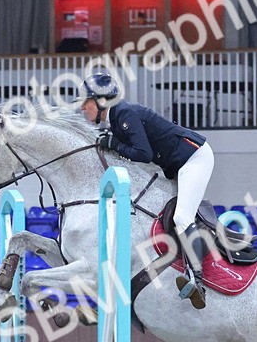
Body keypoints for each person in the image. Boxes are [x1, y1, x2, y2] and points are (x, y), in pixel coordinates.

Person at [81, 71, 214, 307]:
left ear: (101, 102)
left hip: (194, 158)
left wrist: (113, 144)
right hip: (176, 164)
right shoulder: (116, 119)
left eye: (87, 101)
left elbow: (144, 154)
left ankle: (197, 279)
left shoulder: (124, 114)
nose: (82, 107)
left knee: (182, 216)